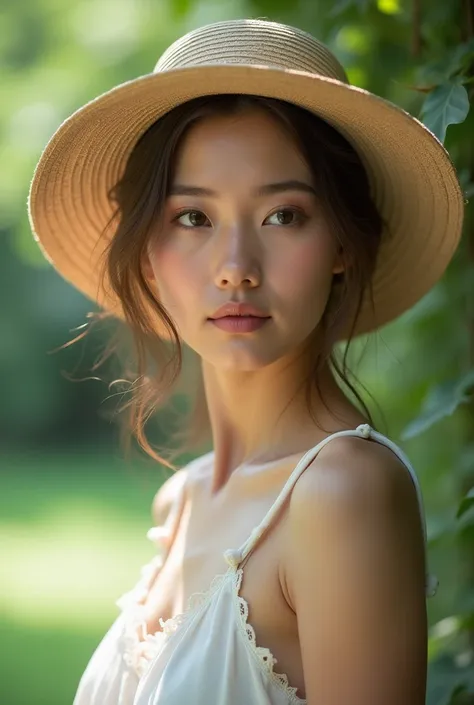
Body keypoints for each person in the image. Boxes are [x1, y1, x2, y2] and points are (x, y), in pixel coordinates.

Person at [28, 18, 463, 705]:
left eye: (283, 215)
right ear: (147, 251)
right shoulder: (182, 499)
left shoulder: (343, 492)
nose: (235, 269)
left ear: (343, 245)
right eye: (193, 218)